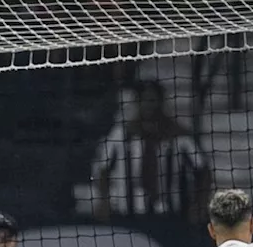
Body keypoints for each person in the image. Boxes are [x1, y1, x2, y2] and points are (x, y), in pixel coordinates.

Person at [90, 80, 211, 222]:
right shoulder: (120, 136)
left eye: (153, 100)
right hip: (129, 215)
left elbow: (203, 171)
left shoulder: (179, 137)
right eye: (144, 100)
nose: (149, 105)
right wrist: (104, 200)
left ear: (162, 102)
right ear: (137, 103)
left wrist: (200, 204)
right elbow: (102, 170)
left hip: (173, 216)